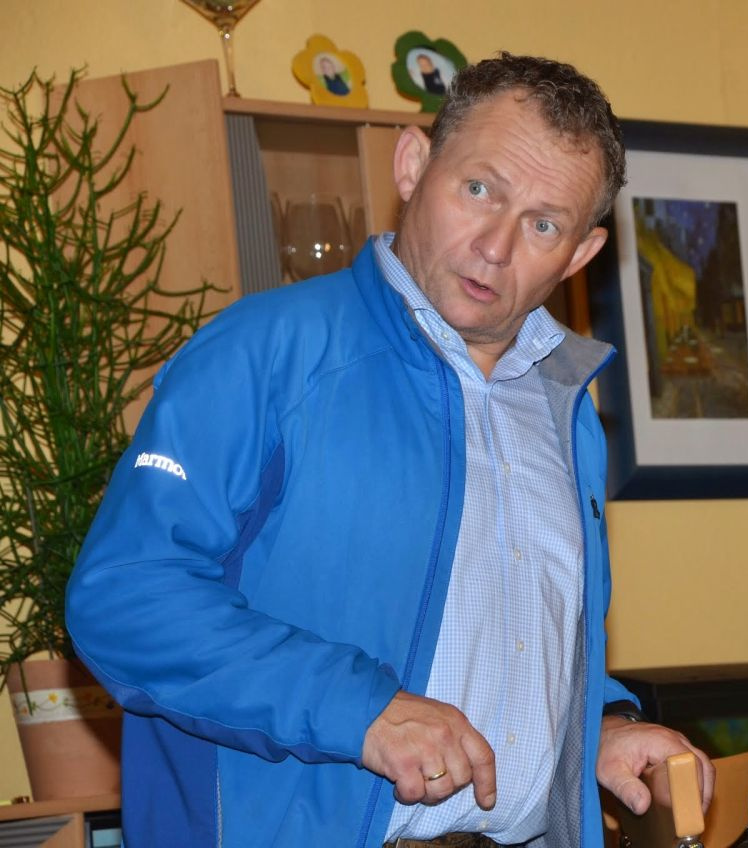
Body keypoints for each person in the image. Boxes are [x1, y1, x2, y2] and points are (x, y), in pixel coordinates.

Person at [66, 52, 712, 848]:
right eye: (480, 190)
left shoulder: (567, 408)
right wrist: (360, 710)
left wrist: (600, 727)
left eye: (543, 224)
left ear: (580, 254)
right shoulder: (262, 353)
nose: (497, 246)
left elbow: (513, 643)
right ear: (412, 165)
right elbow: (124, 597)